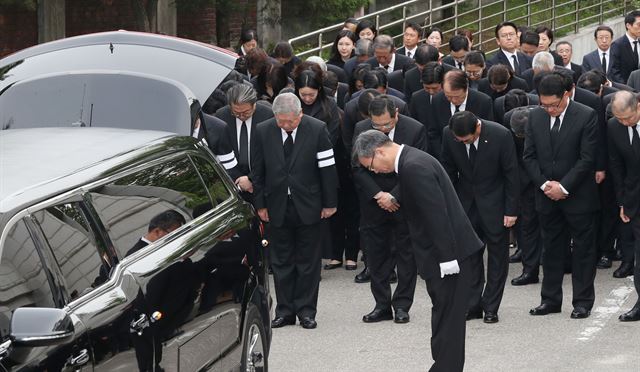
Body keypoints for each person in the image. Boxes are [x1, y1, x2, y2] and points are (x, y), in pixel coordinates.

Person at [352, 130, 483, 372]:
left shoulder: (413, 167)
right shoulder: (413, 159)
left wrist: (447, 258)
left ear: (379, 151)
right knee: (444, 316)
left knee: (449, 321)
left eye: (370, 165)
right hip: (447, 253)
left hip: (449, 255)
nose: (374, 171)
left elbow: (436, 215)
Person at [252, 92, 338, 329]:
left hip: (309, 204)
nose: (287, 125)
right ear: (275, 116)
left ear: (300, 114)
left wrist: (330, 203)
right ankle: (285, 311)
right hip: (276, 204)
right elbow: (257, 172)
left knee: (308, 262)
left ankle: (307, 311)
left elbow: (327, 168)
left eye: (291, 121)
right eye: (282, 121)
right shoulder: (262, 130)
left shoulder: (318, 129)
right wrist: (260, 204)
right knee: (280, 262)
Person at [523, 72, 599, 319]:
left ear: (566, 95)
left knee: (583, 251)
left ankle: (582, 302)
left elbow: (587, 158)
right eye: (544, 105)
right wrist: (546, 185)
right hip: (546, 197)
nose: (549, 110)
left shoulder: (586, 115)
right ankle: (550, 300)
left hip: (578, 197)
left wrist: (563, 187)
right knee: (552, 249)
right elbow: (529, 157)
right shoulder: (535, 117)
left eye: (553, 105)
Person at [352, 95, 425, 324]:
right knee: (376, 255)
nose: (382, 129)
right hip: (374, 203)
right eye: (377, 125)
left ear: (396, 115)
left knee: (406, 256)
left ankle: (402, 305)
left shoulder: (415, 130)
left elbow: (417, 167)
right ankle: (381, 304)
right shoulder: (361, 129)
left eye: (386, 124)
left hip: (404, 201)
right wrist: (379, 194)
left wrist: (394, 195)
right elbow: (356, 166)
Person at [440, 111, 519, 323]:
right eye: (460, 140)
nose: (463, 142)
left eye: (467, 139)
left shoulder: (500, 135)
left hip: (496, 204)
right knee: (469, 256)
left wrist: (511, 210)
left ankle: (491, 306)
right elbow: (447, 171)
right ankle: (472, 304)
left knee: (497, 257)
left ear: (477, 127)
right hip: (466, 204)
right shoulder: (448, 134)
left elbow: (511, 174)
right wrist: (451, 206)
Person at [608, 91, 640, 321]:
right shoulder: (614, 126)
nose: (625, 123)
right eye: (620, 119)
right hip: (635, 198)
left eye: (628, 118)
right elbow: (617, 167)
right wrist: (623, 201)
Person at [214, 84, 274, 200]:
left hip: (261, 182)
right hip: (232, 182)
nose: (241, 116)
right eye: (236, 113)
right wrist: (239, 179)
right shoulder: (221, 116)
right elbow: (221, 150)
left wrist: (251, 179)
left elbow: (270, 152)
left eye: (246, 112)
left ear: (254, 105)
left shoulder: (267, 116)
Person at [430, 69, 494, 159]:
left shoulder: (483, 101)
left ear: (466, 87)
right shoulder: (437, 100)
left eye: (457, 96)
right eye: (448, 96)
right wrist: (442, 154)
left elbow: (487, 132)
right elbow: (433, 132)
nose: (453, 100)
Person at [409, 62, 445, 158]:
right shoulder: (417, 98)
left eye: (435, 88)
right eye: (427, 88)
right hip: (425, 149)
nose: (431, 92)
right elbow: (414, 123)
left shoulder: (450, 97)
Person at [610, 10, 640, 84]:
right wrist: (627, 88)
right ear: (628, 26)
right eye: (639, 25)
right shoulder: (617, 45)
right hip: (626, 89)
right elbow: (614, 71)